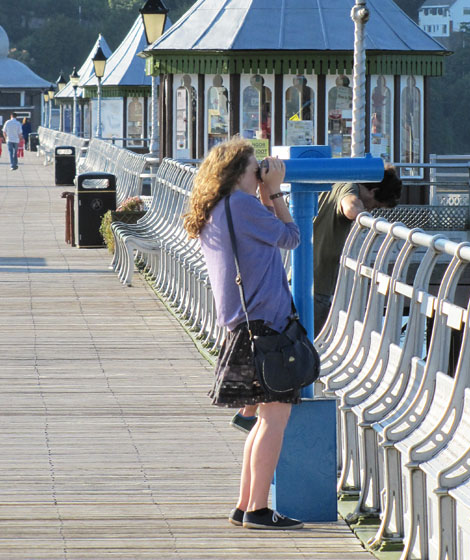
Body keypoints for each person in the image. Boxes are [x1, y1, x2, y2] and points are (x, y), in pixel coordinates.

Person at [183, 137, 304, 530]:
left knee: (263, 418)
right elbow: (290, 237)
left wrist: (263, 193)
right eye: (256, 170)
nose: (260, 176)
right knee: (274, 419)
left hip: (243, 325)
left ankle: (246, 505)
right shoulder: (241, 205)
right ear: (239, 173)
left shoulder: (221, 208)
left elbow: (264, 238)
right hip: (267, 325)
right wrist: (276, 191)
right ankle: (256, 510)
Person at [312, 164, 402, 334]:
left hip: (302, 278)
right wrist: (364, 215)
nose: (369, 210)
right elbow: (351, 208)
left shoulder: (337, 182)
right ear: (373, 191)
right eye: (374, 206)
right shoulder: (349, 189)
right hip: (318, 286)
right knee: (304, 348)